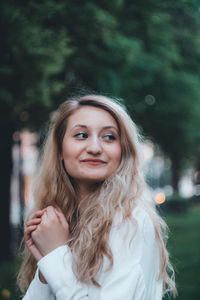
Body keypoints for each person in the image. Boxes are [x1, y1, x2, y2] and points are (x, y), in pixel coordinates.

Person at [17, 94, 176, 299]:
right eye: (81, 135)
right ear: (60, 151)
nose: (94, 148)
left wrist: (56, 255)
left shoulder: (130, 222)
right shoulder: (61, 222)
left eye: (109, 137)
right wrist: (46, 270)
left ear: (123, 152)